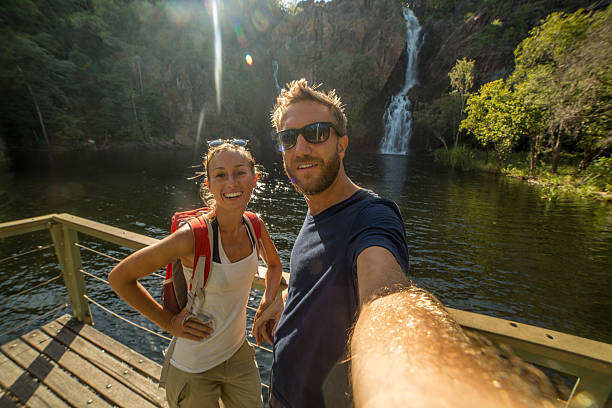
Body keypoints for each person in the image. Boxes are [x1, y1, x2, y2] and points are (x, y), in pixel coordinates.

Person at [251, 79, 558, 408]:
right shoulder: (317, 211)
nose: (300, 148)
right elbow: (319, 275)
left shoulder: (372, 217)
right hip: (280, 396)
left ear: (341, 145)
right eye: (288, 138)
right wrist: (285, 298)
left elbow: (385, 295)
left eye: (316, 133)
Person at [109, 140, 282, 408]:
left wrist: (267, 302)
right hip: (194, 367)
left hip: (238, 354)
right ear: (209, 184)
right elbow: (119, 277)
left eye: (240, 172)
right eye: (220, 175)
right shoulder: (192, 236)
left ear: (254, 179)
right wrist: (168, 323)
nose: (232, 183)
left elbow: (273, 265)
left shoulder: (254, 225)